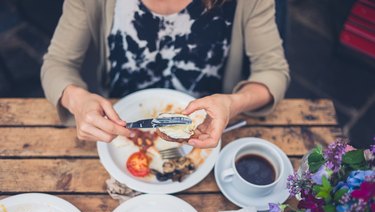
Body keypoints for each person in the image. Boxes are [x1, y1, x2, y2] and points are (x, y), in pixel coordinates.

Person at [41, 0, 289, 148]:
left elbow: (272, 71)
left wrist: (233, 103)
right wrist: (77, 100)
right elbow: (58, 64)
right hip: (120, 129)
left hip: (206, 131)